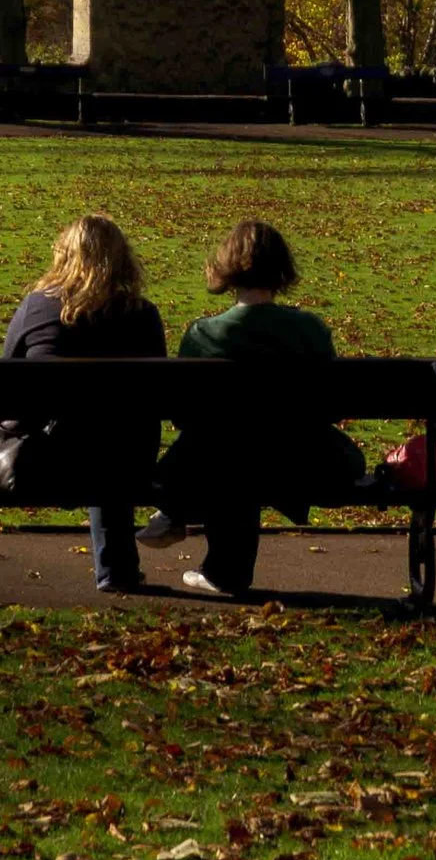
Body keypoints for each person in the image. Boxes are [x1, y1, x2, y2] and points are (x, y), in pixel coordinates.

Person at [147, 220, 360, 599]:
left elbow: (182, 414)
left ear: (228, 270)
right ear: (281, 269)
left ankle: (219, 565)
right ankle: (221, 568)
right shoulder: (308, 329)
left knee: (225, 453)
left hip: (220, 461)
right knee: (245, 453)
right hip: (299, 458)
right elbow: (331, 405)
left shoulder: (203, 334)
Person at [0, 216, 166, 593]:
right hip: (126, 466)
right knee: (110, 438)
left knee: (88, 435)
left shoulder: (37, 307)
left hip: (43, 465)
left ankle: (116, 571)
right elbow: (156, 399)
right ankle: (116, 571)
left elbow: (5, 388)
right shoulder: (143, 315)